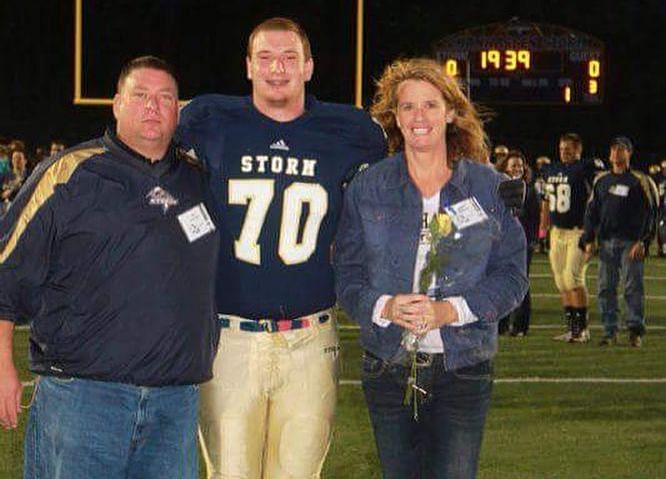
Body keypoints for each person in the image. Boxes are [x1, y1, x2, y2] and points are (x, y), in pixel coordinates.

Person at [177, 17, 386, 479]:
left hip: (310, 338)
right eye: (266, 57)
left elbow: (408, 174)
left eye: (290, 57)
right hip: (229, 336)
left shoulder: (348, 128)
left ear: (309, 67)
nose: (278, 68)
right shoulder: (210, 119)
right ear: (248, 66)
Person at [0, 56, 220, 479]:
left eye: (165, 98)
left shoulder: (196, 180)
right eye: (140, 95)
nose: (152, 106)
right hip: (84, 398)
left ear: (179, 111)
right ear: (117, 103)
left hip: (174, 403)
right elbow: (7, 268)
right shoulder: (69, 173)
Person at [334, 58, 528, 479]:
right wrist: (384, 306)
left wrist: (450, 311)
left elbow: (513, 277)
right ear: (394, 117)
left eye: (430, 105)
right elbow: (347, 275)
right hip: (388, 364)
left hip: (464, 366)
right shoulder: (368, 187)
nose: (419, 117)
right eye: (407, 107)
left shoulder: (489, 187)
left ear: (451, 112)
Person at [580, 137, 658, 347]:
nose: (616, 153)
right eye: (614, 149)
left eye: (621, 149)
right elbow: (591, 211)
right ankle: (609, 330)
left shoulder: (640, 180)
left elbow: (652, 213)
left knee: (633, 288)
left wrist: (643, 241)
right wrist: (588, 237)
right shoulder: (601, 180)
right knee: (606, 288)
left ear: (629, 153)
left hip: (630, 242)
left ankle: (635, 330)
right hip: (606, 242)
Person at [540, 133, 604, 342]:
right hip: (557, 232)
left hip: (578, 231)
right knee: (561, 281)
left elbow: (599, 190)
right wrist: (544, 228)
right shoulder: (552, 170)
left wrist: (591, 233)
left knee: (573, 277)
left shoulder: (585, 168)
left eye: (569, 148)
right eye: (561, 148)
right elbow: (547, 201)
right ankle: (572, 328)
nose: (564, 152)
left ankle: (582, 330)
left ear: (578, 150)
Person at [496, 149, 540, 336]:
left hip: (521, 243)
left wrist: (532, 240)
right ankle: (502, 324)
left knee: (520, 283)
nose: (517, 169)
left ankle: (521, 325)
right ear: (505, 167)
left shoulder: (529, 190)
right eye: (514, 165)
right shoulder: (498, 188)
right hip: (500, 243)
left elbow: (534, 218)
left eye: (520, 166)